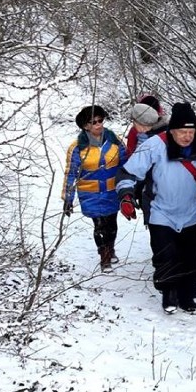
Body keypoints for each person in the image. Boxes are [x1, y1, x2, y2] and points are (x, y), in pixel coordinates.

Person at [116, 102, 196, 315]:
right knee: (165, 255)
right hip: (161, 210)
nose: (187, 136)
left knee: (189, 257)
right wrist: (126, 196)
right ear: (171, 130)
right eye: (182, 132)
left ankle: (188, 298)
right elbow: (128, 173)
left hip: (190, 212)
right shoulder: (154, 145)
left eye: (191, 131)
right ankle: (169, 294)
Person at [63, 104, 127, 272]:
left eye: (101, 120)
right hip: (90, 193)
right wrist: (67, 198)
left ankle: (110, 247)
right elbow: (70, 173)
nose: (99, 124)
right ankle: (104, 256)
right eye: (94, 122)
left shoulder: (115, 141)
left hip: (112, 191)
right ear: (86, 126)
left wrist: (130, 188)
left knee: (111, 224)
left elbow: (126, 164)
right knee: (99, 224)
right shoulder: (77, 148)